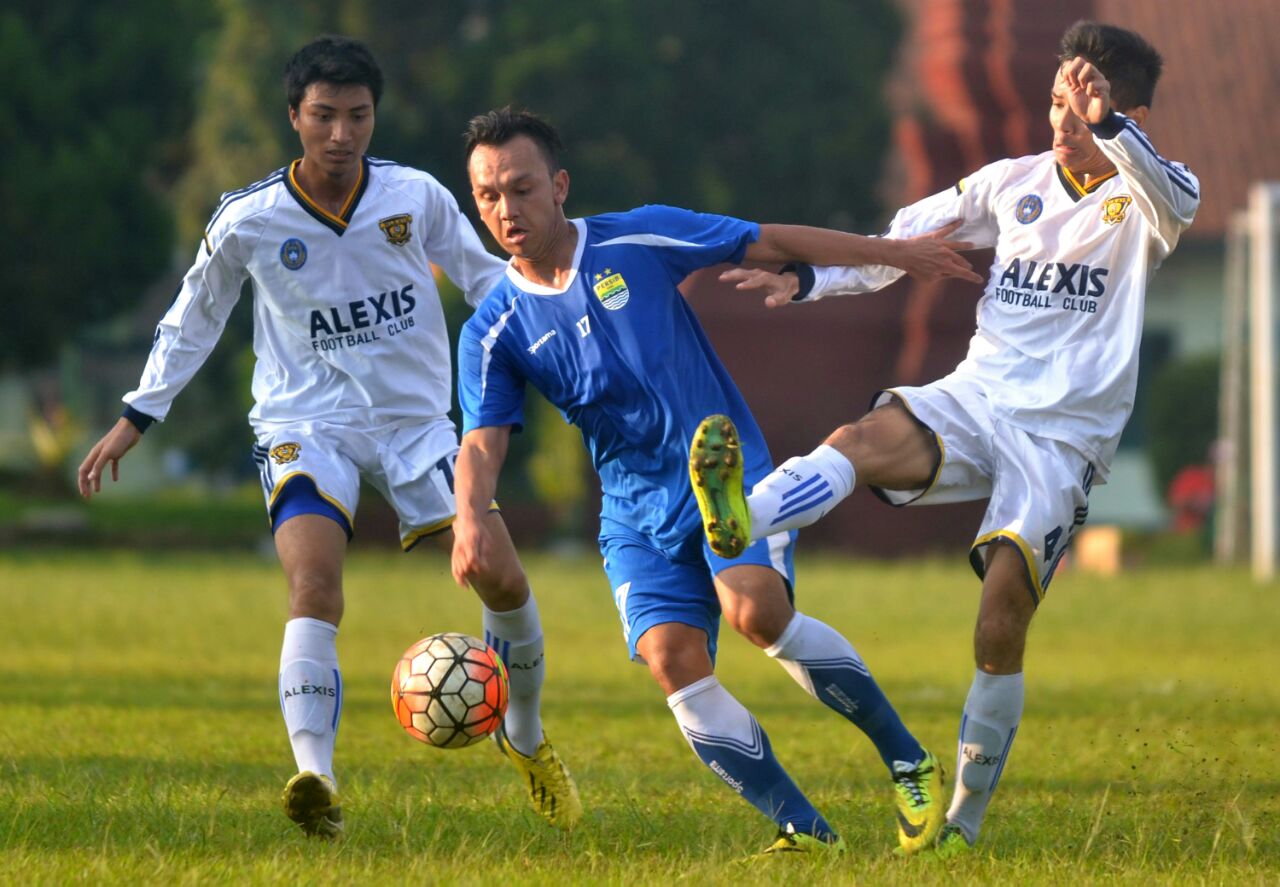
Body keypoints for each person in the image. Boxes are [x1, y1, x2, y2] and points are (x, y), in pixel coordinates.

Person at [693, 21, 1197, 856]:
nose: (1064, 119)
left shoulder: (1149, 196)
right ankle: (741, 517)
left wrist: (1109, 124)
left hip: (1064, 438)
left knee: (999, 620)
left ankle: (960, 827)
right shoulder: (1010, 183)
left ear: (1129, 111)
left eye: (1086, 104)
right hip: (978, 394)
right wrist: (808, 277)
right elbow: (902, 244)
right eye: (1058, 102)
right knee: (859, 437)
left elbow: (1177, 203)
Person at [76, 36, 580, 839]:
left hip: (418, 425)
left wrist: (568, 348)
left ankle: (523, 735)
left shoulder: (415, 196)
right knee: (313, 584)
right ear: (294, 118)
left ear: (374, 117)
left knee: (503, 580)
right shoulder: (248, 218)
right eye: (324, 116)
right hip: (303, 425)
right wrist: (139, 413)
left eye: (358, 116)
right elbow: (194, 315)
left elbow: (491, 282)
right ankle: (315, 776)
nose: (342, 134)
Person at [450, 106, 984, 856]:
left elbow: (767, 238)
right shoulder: (494, 328)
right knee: (673, 660)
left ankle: (908, 762)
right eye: (488, 196)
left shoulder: (635, 236)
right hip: (633, 510)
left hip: (725, 475)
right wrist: (471, 513)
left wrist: (892, 253)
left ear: (560, 185)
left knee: (755, 611)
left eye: (522, 187)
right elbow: (481, 441)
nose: (507, 209)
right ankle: (807, 831)